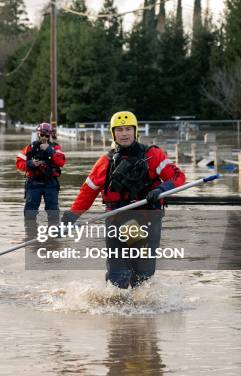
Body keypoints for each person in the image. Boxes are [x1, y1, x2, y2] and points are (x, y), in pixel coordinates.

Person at [63, 111, 185, 288]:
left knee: (142, 277)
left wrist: (161, 188)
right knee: (117, 277)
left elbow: (177, 177)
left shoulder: (153, 155)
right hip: (117, 220)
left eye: (128, 129)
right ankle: (116, 312)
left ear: (135, 131)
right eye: (119, 130)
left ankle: (139, 312)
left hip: (146, 221)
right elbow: (86, 193)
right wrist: (70, 218)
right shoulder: (105, 162)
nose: (124, 133)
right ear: (113, 133)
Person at [15, 122, 66, 239]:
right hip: (33, 183)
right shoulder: (30, 147)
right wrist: (30, 163)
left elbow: (61, 162)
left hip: (50, 184)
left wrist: (50, 151)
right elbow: (19, 163)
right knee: (30, 213)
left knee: (53, 213)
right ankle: (31, 235)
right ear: (38, 134)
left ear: (50, 136)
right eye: (42, 135)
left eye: (46, 136)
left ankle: (53, 239)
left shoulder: (56, 148)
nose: (44, 138)